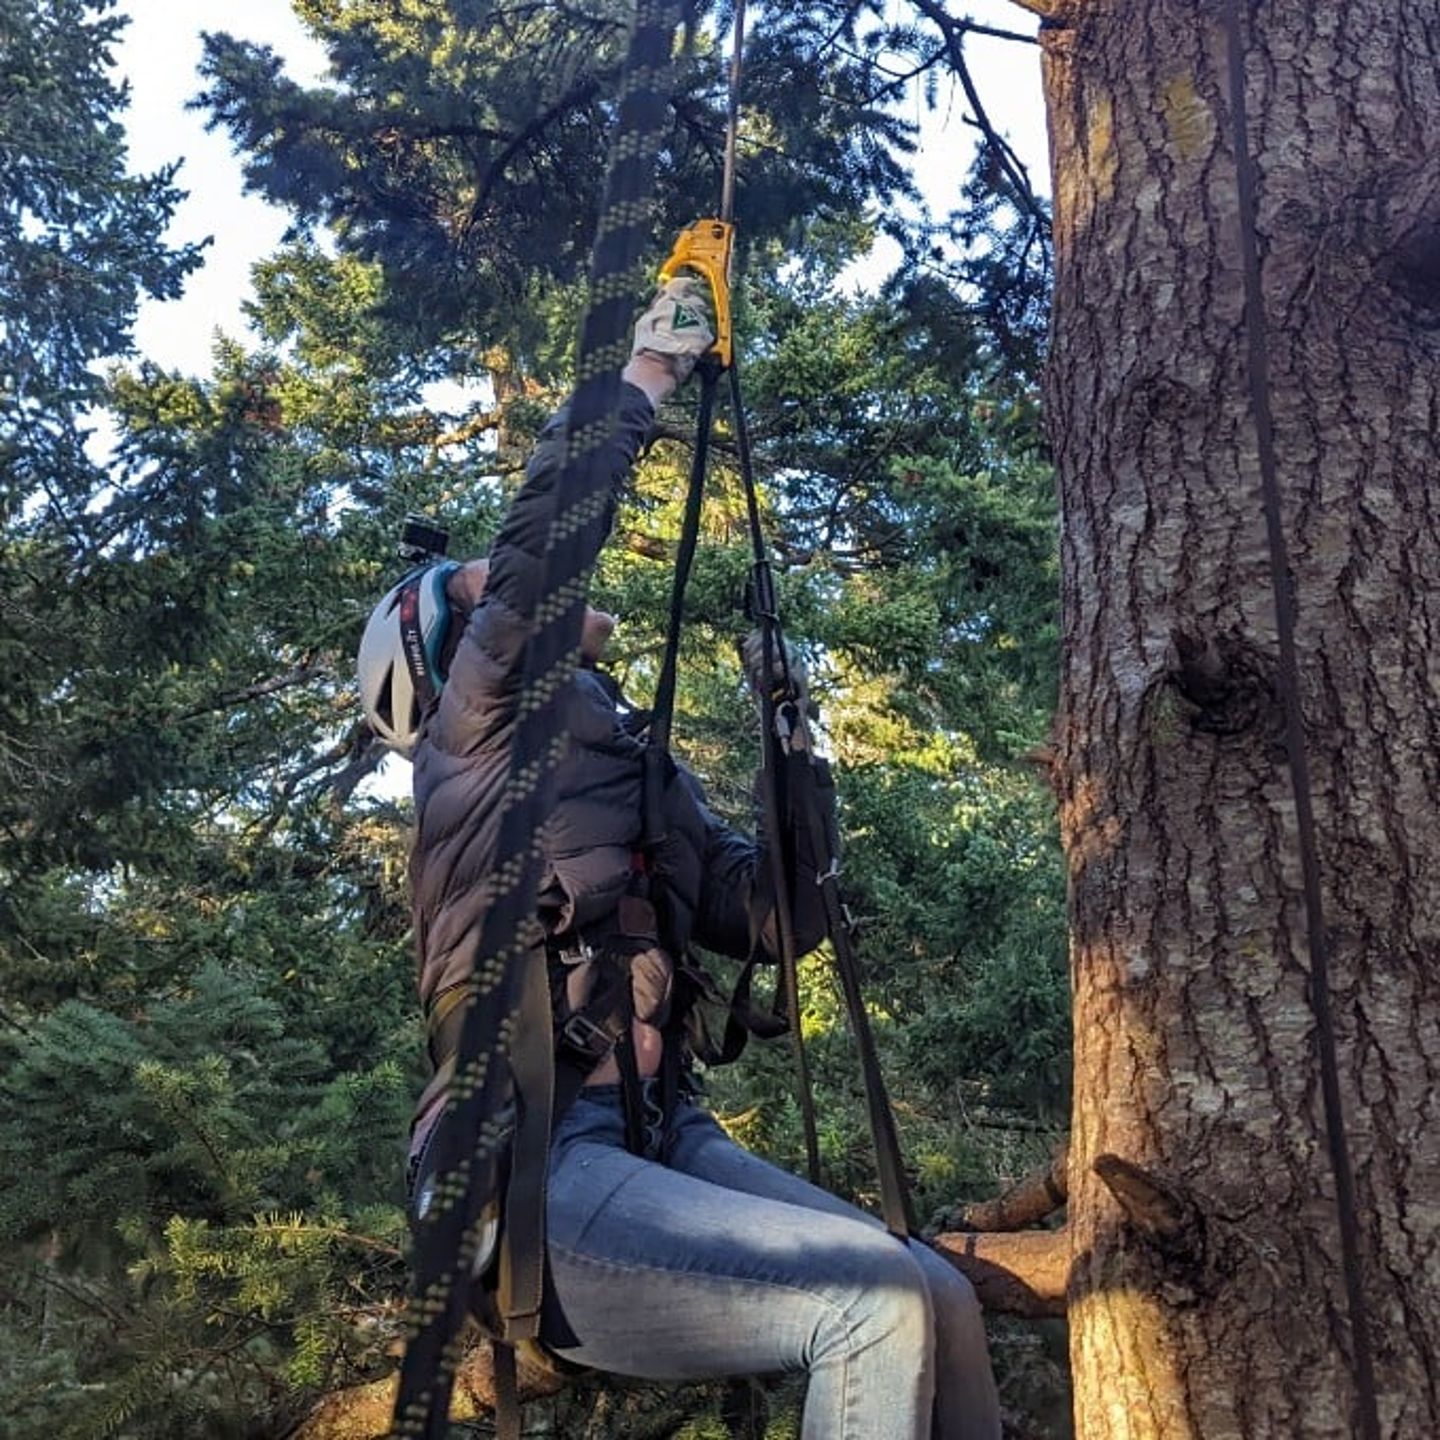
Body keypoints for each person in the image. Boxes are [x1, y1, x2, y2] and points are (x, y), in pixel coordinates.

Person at [357, 271, 1001, 1440]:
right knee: (867, 1307)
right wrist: (646, 373)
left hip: (662, 1132)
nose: (515, 598)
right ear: (453, 654)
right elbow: (538, 559)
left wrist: (790, 741)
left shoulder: (634, 786)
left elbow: (772, 916)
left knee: (938, 1294)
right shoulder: (479, 733)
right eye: (478, 595)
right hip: (536, 1165)